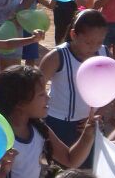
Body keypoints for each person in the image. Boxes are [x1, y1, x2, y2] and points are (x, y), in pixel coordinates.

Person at [0, 65, 99, 178]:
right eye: (42, 95)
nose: (48, 97)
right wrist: (1, 172)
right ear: (20, 103)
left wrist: (88, 135)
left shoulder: (39, 129)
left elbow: (70, 159)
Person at [39, 9, 109, 167]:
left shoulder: (104, 53)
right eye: (88, 42)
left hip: (89, 124)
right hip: (59, 125)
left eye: (99, 42)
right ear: (73, 35)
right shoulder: (57, 57)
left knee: (88, 168)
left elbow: (110, 89)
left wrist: (98, 115)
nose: (94, 47)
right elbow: (36, 90)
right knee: (62, 170)